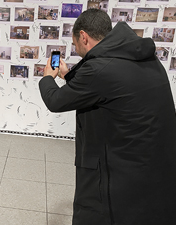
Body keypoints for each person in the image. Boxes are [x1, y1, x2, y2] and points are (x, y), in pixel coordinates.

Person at [39, 9, 176, 225]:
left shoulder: (99, 69)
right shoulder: (144, 58)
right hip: (152, 167)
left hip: (118, 175)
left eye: (75, 43)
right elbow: (103, 90)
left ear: (83, 36)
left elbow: (55, 100)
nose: (76, 49)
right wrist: (69, 75)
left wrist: (47, 77)